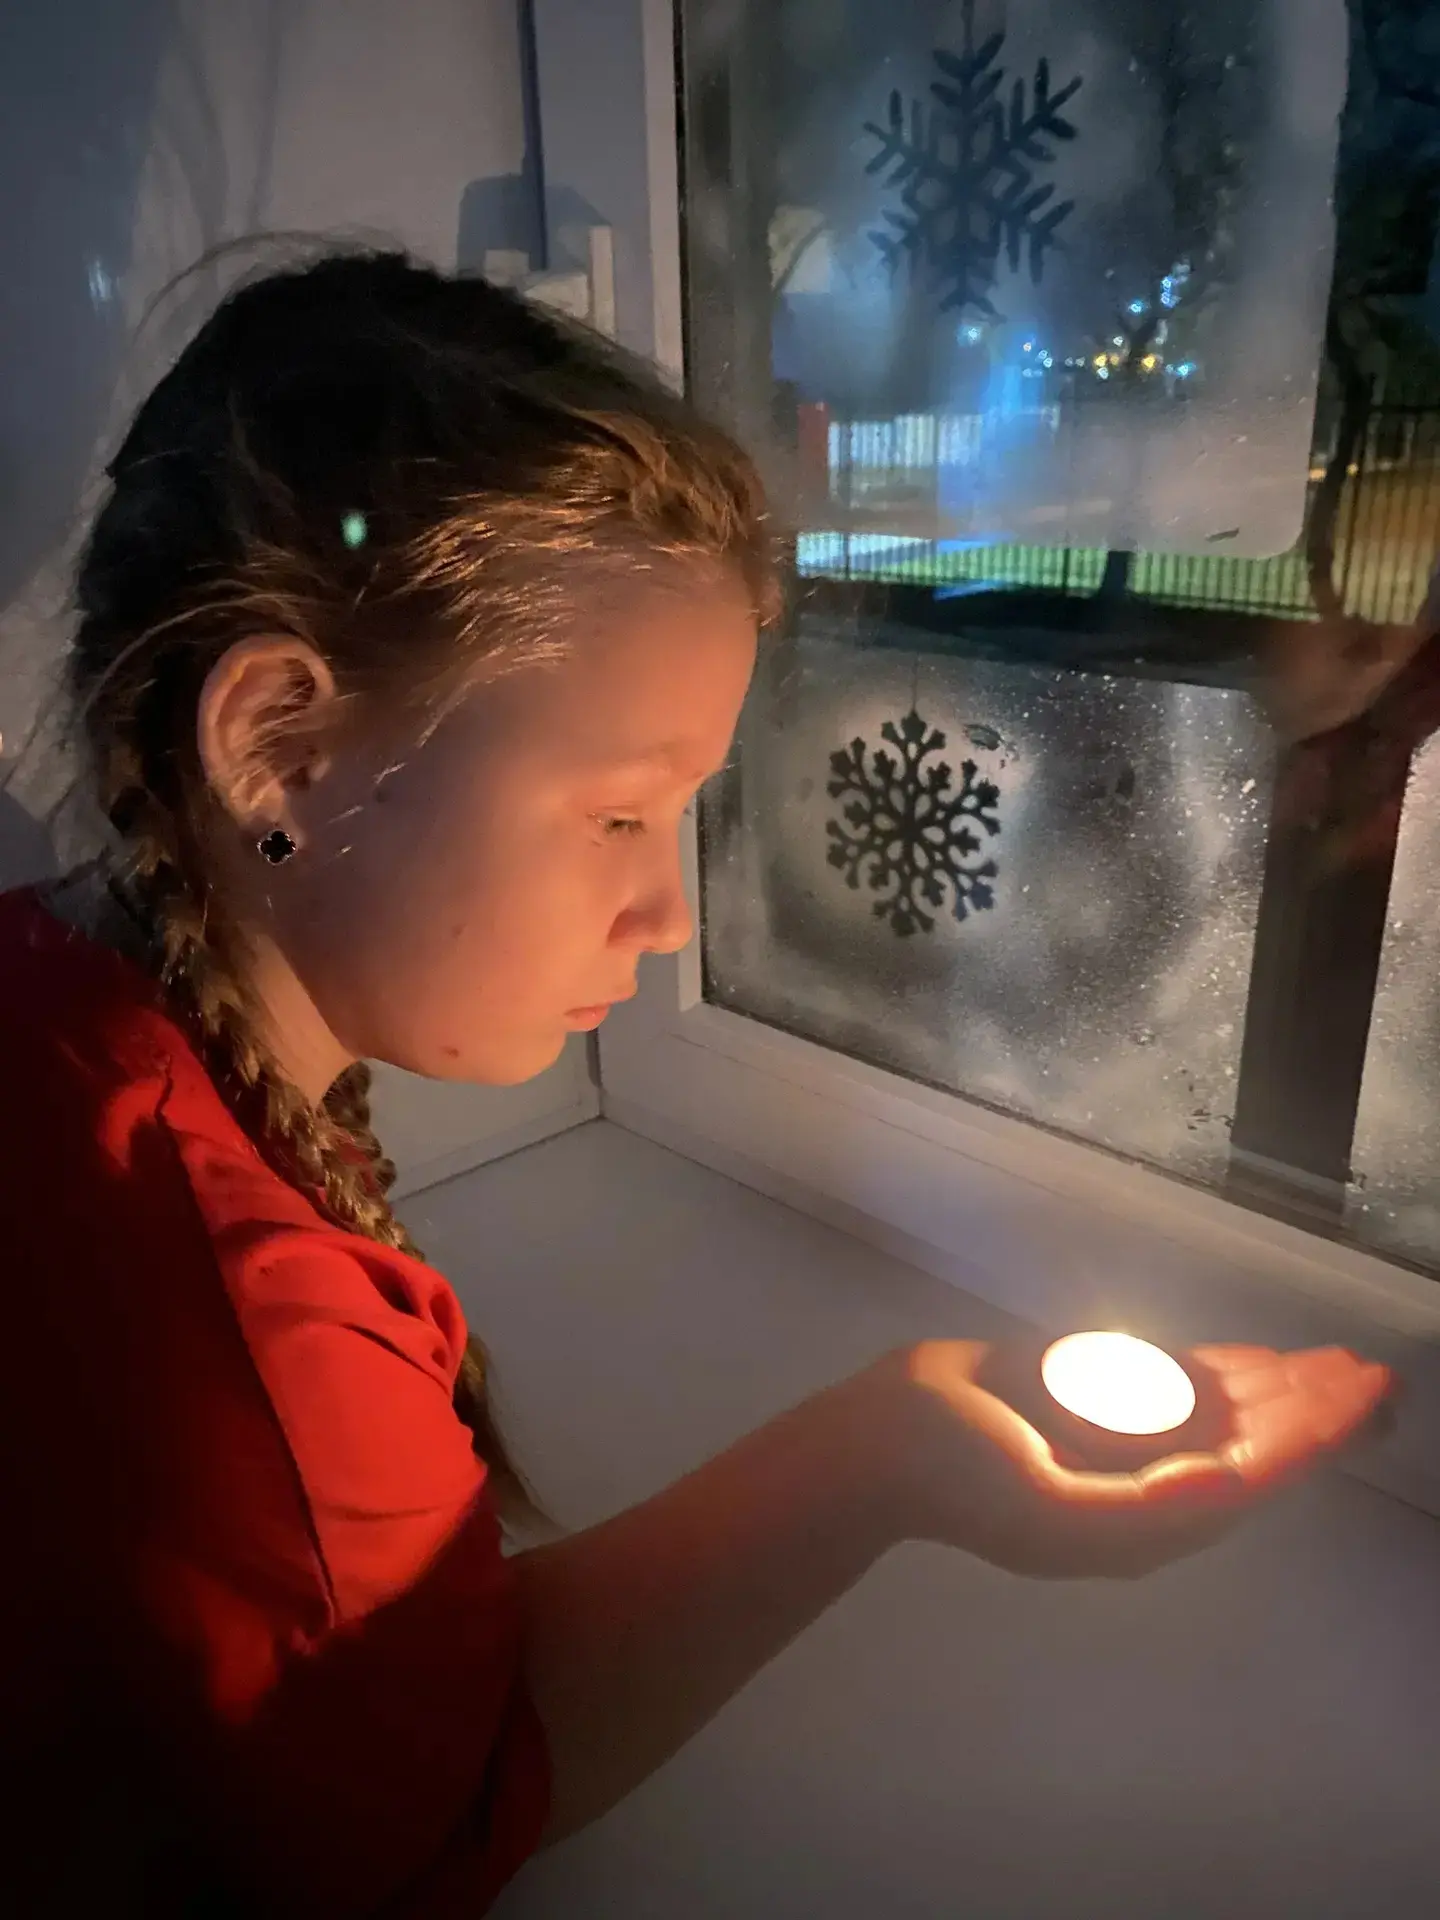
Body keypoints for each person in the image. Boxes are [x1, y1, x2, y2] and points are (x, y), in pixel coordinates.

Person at [0, 251, 1392, 1917]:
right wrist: (887, 1460)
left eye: (681, 816)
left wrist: (895, 1423)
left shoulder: (59, 987)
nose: (667, 915)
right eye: (617, 813)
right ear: (279, 747)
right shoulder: (253, 1345)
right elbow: (432, 1821)